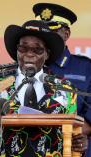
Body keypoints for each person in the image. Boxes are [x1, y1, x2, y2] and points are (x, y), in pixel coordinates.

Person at [0, 20, 87, 156]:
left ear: (46, 54)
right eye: (23, 48)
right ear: (17, 51)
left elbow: (69, 140)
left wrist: (78, 144)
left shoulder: (65, 90)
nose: (29, 54)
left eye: (37, 49)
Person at [32, 3, 91, 156]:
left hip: (73, 148)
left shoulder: (85, 67)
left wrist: (66, 133)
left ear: (66, 34)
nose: (45, 36)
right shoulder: (26, 68)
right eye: (41, 31)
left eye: (52, 31)